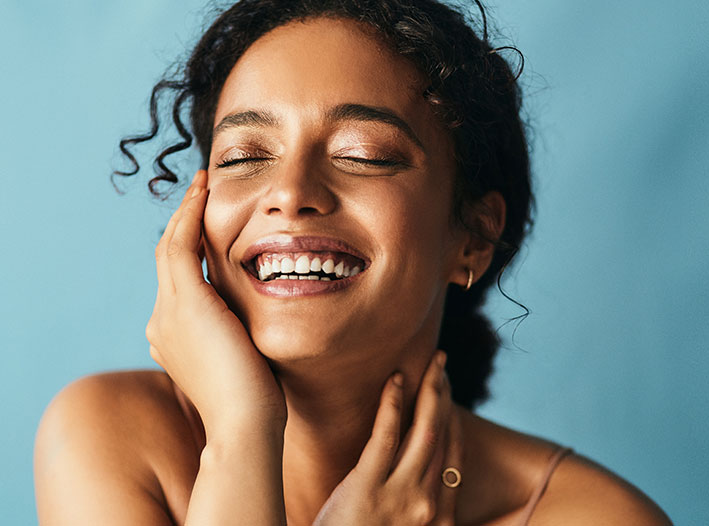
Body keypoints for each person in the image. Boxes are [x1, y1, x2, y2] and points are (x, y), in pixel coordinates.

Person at [34, 1, 671, 524]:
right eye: (242, 156)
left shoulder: (593, 516)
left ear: (474, 236)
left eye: (364, 154)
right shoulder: (108, 434)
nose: (289, 192)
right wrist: (241, 428)